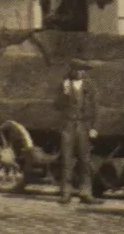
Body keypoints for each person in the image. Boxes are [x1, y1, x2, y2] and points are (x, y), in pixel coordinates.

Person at [53, 59, 99, 204]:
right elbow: (56, 105)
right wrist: (65, 93)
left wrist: (94, 127)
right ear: (71, 70)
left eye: (82, 69)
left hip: (84, 125)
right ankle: (66, 192)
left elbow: (95, 108)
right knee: (67, 160)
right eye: (77, 69)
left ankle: (85, 191)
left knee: (85, 160)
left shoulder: (90, 86)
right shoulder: (64, 85)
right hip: (68, 125)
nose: (79, 72)